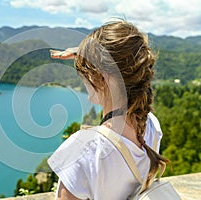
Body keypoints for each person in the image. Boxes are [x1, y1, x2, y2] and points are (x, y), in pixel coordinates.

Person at [47, 20, 169, 200]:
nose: (84, 81)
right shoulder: (150, 125)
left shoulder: (83, 151)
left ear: (102, 78)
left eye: (84, 75)